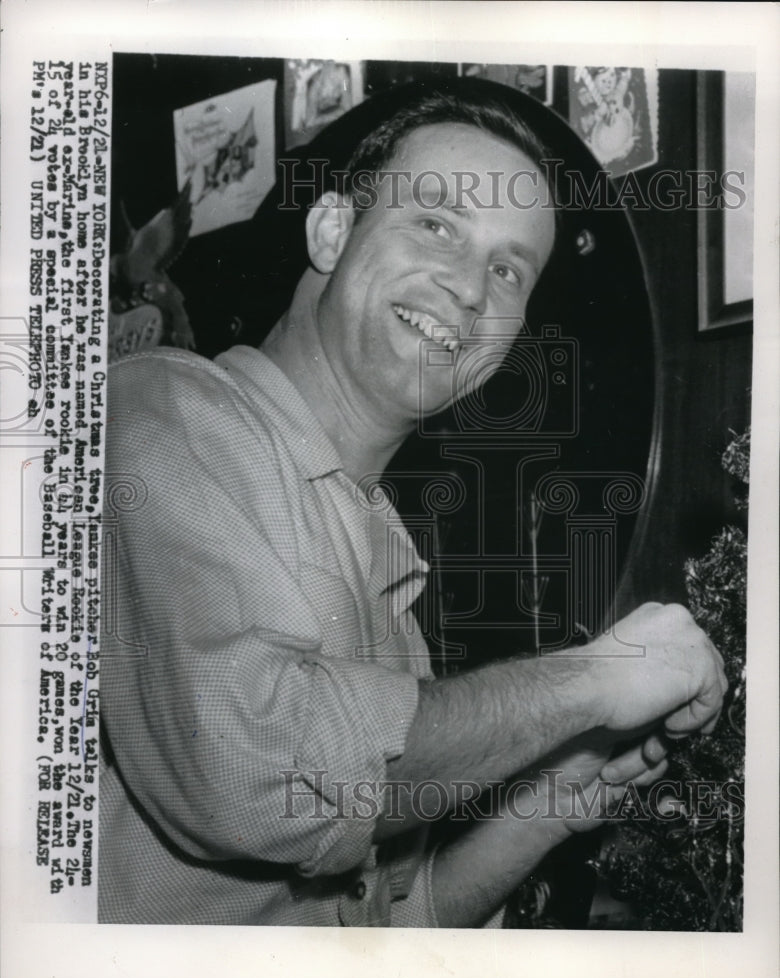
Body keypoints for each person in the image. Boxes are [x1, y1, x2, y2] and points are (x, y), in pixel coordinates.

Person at [99, 86, 726, 927]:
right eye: (435, 223)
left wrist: (550, 800)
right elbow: (254, 769)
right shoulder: (160, 412)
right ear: (331, 231)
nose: (470, 288)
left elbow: (385, 928)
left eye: (508, 269)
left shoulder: (386, 557)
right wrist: (591, 681)